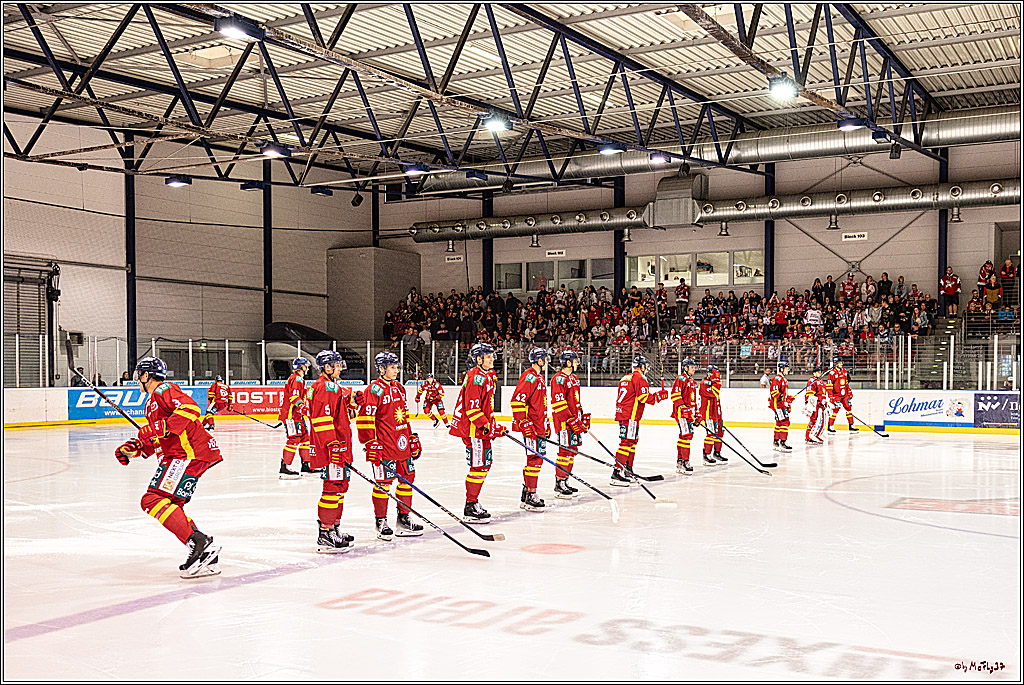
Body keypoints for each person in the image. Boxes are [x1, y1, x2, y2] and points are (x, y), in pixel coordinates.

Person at [114, 356, 223, 578]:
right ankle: (206, 553)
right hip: (184, 455)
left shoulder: (164, 389)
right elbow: (161, 438)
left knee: (152, 499)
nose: (138, 380)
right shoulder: (151, 403)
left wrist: (158, 426)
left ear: (145, 375)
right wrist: (135, 448)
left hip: (186, 454)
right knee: (172, 505)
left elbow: (190, 408)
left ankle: (198, 541)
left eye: (139, 375)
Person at [357, 351, 424, 541]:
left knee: (407, 479)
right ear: (381, 368)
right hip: (384, 446)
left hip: (402, 445)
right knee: (384, 484)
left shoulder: (399, 388)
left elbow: (404, 415)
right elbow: (365, 419)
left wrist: (411, 437)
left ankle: (403, 519)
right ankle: (381, 522)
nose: (396, 371)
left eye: (396, 367)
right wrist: (370, 443)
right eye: (392, 367)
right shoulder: (374, 390)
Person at [449, 342, 506, 523]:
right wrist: (486, 426)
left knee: (484, 465)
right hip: (474, 431)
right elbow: (472, 408)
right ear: (479, 359)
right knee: (479, 467)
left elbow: (486, 407)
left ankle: (473, 502)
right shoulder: (476, 377)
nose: (491, 360)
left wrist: (493, 425)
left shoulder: (486, 375)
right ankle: (470, 505)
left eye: (492, 356)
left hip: (480, 430)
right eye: (488, 356)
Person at [307, 349, 357, 554]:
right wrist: (332, 445)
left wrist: (352, 405)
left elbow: (339, 417)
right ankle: (325, 533)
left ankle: (335, 527)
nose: (339, 367)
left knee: (340, 487)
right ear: (327, 367)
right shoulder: (324, 387)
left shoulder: (332, 387)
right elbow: (321, 419)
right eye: (336, 364)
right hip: (332, 449)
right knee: (332, 487)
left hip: (340, 446)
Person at [612, 355, 668, 485]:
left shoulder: (625, 377)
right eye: (645, 367)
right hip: (630, 416)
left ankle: (627, 470)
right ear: (642, 366)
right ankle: (617, 472)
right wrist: (657, 397)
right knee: (626, 443)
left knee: (630, 442)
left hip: (624, 414)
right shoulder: (640, 377)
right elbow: (643, 397)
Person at [511, 348, 550, 511]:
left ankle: (527, 491)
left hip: (539, 426)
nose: (547, 362)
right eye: (545, 359)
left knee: (537, 459)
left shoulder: (539, 377)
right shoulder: (529, 376)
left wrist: (546, 424)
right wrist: (524, 423)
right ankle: (530, 494)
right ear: (539, 361)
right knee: (534, 459)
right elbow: (517, 401)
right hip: (532, 427)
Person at [550, 350, 587, 499]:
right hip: (565, 423)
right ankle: (559, 483)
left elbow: (576, 401)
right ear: (568, 362)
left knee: (573, 451)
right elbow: (558, 404)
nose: (577, 363)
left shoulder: (575, 378)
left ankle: (565, 479)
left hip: (574, 421)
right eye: (575, 360)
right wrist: (570, 419)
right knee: (564, 452)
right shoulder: (558, 379)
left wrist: (581, 416)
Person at [277, 358, 310, 480]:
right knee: (294, 439)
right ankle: (284, 467)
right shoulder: (296, 379)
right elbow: (294, 397)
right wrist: (303, 408)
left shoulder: (298, 379)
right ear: (301, 367)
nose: (307, 368)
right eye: (305, 366)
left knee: (305, 437)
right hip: (291, 416)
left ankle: (306, 465)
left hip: (297, 416)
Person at [670, 357, 699, 474]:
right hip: (682, 414)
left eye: (694, 367)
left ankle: (680, 461)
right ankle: (685, 462)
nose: (694, 369)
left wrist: (696, 413)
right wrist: (683, 408)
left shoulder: (692, 382)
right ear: (685, 368)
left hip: (689, 414)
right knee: (686, 436)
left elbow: (693, 400)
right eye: (692, 367)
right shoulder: (680, 379)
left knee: (685, 436)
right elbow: (675, 395)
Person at [698, 364, 726, 465]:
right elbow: (715, 392)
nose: (716, 376)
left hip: (717, 413)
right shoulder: (704, 383)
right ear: (709, 373)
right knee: (711, 434)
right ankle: (706, 454)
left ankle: (717, 453)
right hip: (708, 414)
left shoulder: (714, 383)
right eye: (714, 373)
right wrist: (716, 381)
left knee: (720, 433)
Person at [769, 360, 795, 452]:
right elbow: (774, 391)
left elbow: (783, 393)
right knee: (785, 422)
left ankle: (776, 442)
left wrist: (788, 398)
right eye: (786, 369)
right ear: (781, 369)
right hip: (778, 405)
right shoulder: (777, 379)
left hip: (782, 404)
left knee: (779, 423)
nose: (787, 370)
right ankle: (783, 442)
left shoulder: (784, 379)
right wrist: (780, 396)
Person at [826, 358, 857, 432]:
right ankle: (830, 426)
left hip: (845, 394)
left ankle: (851, 425)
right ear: (835, 364)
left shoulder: (844, 371)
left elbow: (846, 383)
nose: (841, 364)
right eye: (839, 363)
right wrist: (831, 396)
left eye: (841, 362)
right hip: (836, 395)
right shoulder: (832, 373)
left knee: (849, 408)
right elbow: (829, 385)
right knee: (835, 410)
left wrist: (849, 391)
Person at [804, 367, 827, 444]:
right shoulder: (812, 380)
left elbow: (823, 394)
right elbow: (810, 393)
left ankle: (812, 435)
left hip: (820, 404)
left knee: (817, 420)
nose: (819, 373)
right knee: (813, 420)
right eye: (817, 372)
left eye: (820, 372)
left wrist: (825, 403)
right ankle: (807, 437)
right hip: (814, 404)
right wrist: (811, 404)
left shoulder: (822, 382)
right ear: (814, 373)